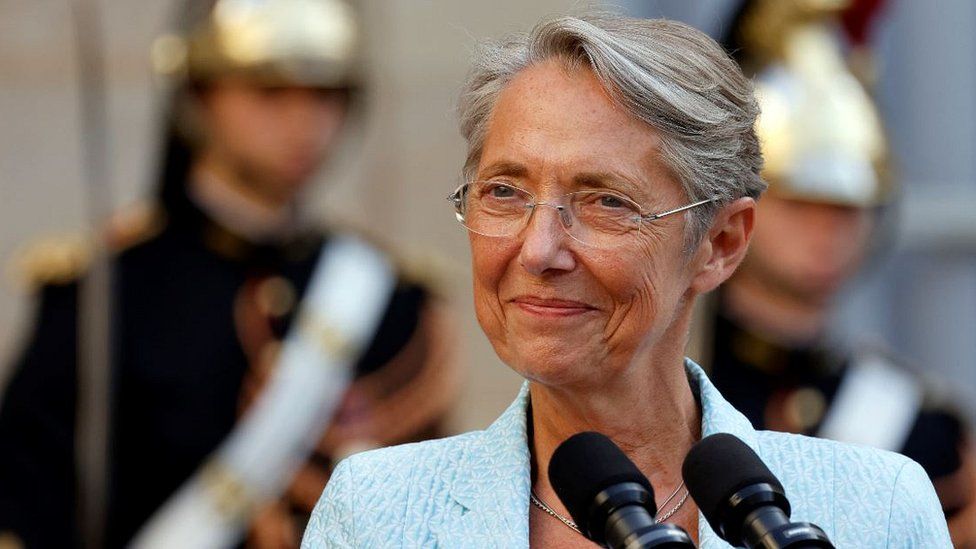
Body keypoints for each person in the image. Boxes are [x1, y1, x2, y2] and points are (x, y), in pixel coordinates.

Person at [300, 12, 951, 548]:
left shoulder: (876, 508)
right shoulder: (377, 513)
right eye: (503, 192)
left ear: (720, 244)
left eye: (606, 202)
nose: (539, 250)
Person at [0, 0, 457, 547]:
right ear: (199, 97)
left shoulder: (386, 295)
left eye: (326, 95)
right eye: (270, 92)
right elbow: (28, 504)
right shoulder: (103, 293)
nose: (305, 124)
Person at [685, 2, 976, 545]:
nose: (827, 230)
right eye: (800, 201)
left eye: (847, 207)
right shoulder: (672, 395)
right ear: (735, 210)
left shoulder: (923, 427)